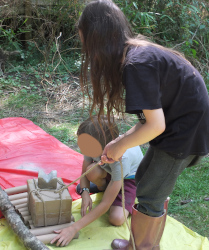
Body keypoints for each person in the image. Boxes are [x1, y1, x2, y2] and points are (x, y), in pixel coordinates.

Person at [76, 0, 209, 249]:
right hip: (178, 126)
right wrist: (119, 142)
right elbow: (150, 121)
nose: (89, 54)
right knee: (145, 178)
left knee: (151, 194)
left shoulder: (136, 65)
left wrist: (120, 146)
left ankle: (144, 247)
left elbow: (155, 126)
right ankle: (139, 243)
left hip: (184, 133)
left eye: (88, 46)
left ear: (100, 38)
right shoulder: (136, 56)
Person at [50, 115, 143, 247]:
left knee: (116, 219)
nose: (81, 147)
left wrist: (73, 228)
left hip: (128, 180)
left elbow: (105, 204)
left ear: (103, 145)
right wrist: (85, 192)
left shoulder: (122, 159)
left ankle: (120, 197)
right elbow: (85, 170)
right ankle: (105, 188)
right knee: (92, 171)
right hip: (109, 172)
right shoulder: (93, 145)